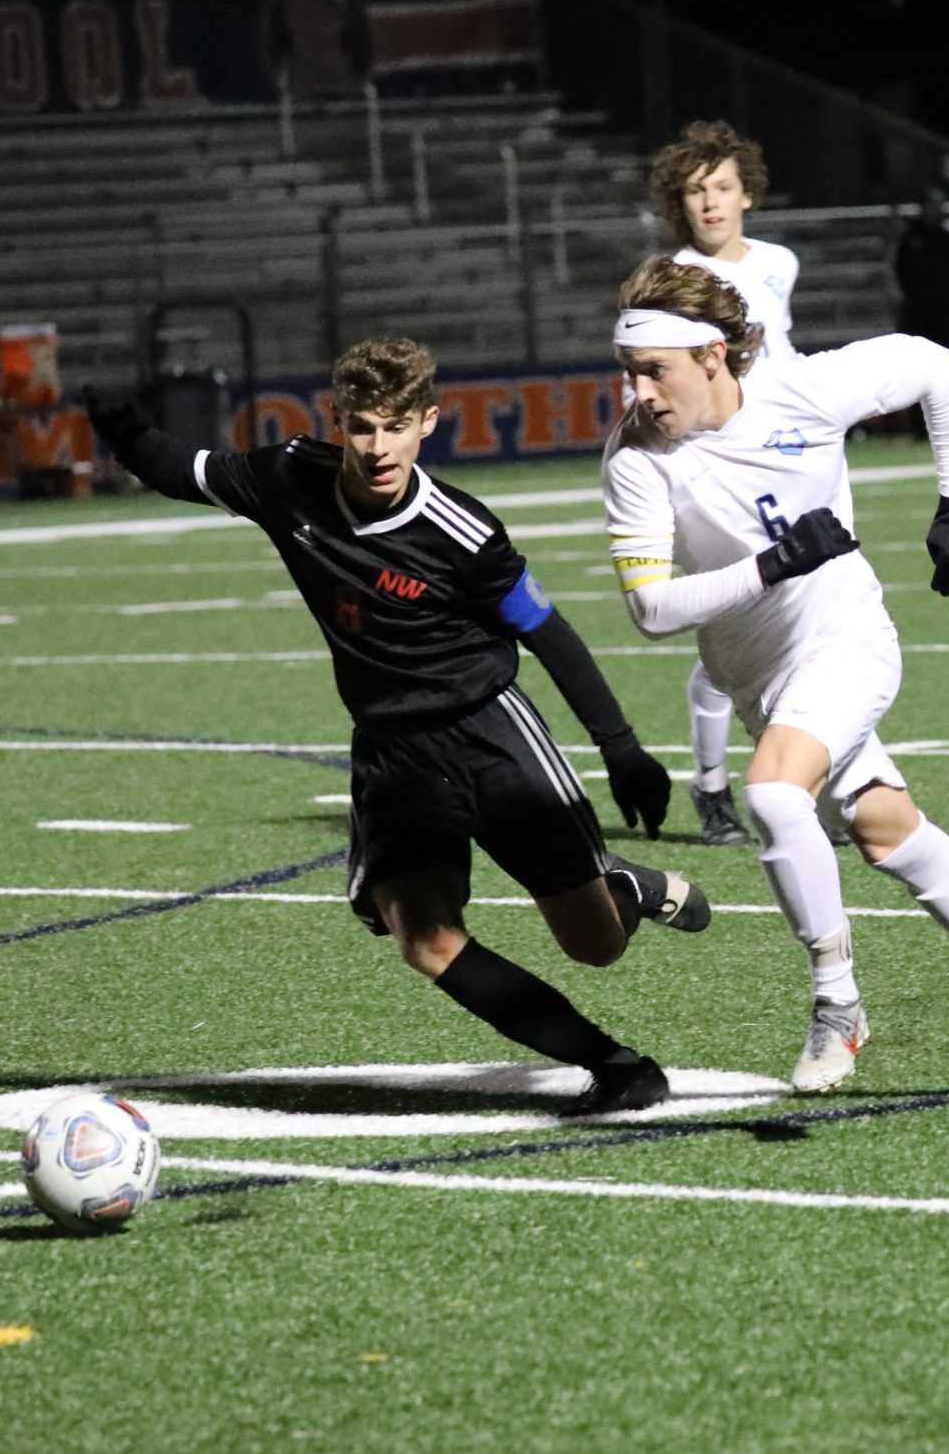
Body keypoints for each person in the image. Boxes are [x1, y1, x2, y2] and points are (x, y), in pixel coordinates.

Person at [83, 337, 706, 1115]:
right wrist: (124, 433)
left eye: (396, 427)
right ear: (337, 420)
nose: (379, 448)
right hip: (393, 753)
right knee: (426, 940)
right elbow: (186, 470)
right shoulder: (288, 479)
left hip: (490, 731)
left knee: (597, 946)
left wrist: (621, 748)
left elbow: (547, 631)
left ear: (428, 424)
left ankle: (621, 885)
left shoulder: (464, 532)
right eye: (364, 428)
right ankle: (612, 1064)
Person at [599, 258, 949, 1100]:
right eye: (629, 371)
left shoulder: (803, 391)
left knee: (776, 797)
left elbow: (935, 364)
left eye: (653, 371)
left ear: (713, 356)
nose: (637, 392)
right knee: (886, 830)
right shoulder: (637, 458)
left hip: (849, 640)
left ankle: (837, 1006)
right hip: (760, 680)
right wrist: (773, 564)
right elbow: (651, 608)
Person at [650, 120, 799, 847]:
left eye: (721, 188)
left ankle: (809, 783)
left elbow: (783, 359)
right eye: (695, 192)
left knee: (801, 619)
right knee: (732, 632)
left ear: (747, 195)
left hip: (778, 462)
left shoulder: (778, 264)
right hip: (708, 470)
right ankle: (711, 787)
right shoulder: (670, 280)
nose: (709, 203)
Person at [893, 186, 949, 352]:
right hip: (916, 305)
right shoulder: (911, 234)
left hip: (941, 306)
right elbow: (901, 266)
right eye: (933, 204)